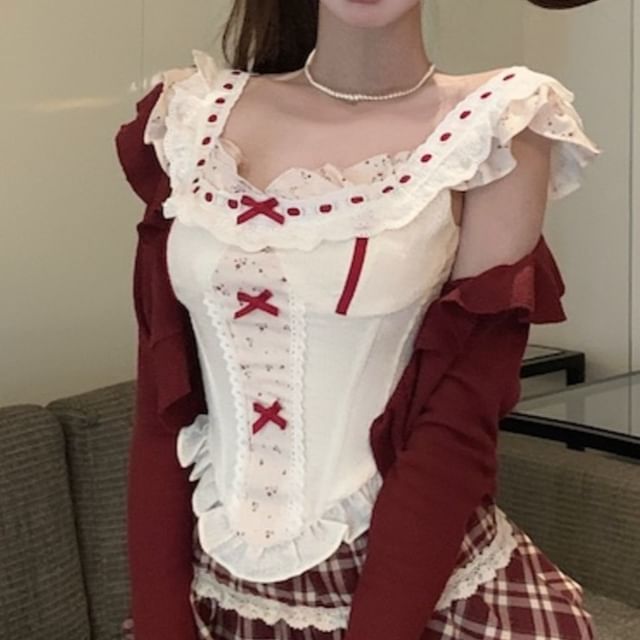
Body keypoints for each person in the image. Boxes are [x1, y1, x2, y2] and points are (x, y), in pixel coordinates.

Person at [114, 1, 603, 638]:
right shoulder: (190, 115)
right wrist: (161, 623)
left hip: (413, 597)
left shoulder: (501, 124)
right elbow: (163, 405)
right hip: (219, 599)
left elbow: (456, 424)